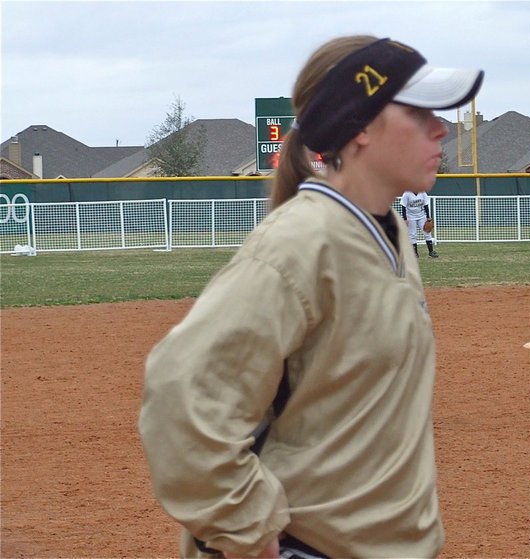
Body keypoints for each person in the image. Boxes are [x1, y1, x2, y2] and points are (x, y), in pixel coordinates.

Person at [139, 35, 483, 559]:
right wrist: (248, 528)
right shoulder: (300, 243)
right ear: (360, 127)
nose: (441, 127)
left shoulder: (388, 231)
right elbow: (181, 399)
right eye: (418, 112)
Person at [401, 190, 439, 257]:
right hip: (410, 216)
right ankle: (415, 253)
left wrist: (428, 217)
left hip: (421, 216)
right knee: (413, 234)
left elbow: (426, 205)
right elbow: (403, 207)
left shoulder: (422, 192)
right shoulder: (407, 193)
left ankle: (431, 252)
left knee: (427, 232)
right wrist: (405, 219)